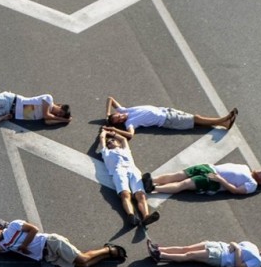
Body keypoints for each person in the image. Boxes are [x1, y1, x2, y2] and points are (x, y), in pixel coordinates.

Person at [0, 220, 126, 267]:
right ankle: (107, 255)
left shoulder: (13, 226)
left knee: (82, 259)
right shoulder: (4, 244)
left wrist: (23, 246)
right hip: (48, 256)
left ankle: (108, 249)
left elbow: (34, 229)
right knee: (82, 266)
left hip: (50, 243)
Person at [94, 126, 158, 227]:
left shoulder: (125, 149)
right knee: (125, 194)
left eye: (112, 141)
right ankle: (131, 215)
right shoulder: (106, 152)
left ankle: (146, 216)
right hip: (118, 171)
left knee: (141, 195)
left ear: (118, 143)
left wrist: (113, 133)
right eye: (108, 143)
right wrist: (104, 132)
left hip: (133, 170)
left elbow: (123, 139)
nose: (110, 142)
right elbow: (102, 139)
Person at [105, 96, 235, 135]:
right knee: (196, 118)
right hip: (168, 120)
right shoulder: (130, 123)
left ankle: (224, 124)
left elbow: (110, 99)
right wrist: (114, 130)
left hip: (166, 111)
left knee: (195, 121)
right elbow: (130, 134)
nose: (121, 117)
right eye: (118, 120)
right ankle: (223, 119)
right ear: (119, 123)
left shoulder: (125, 110)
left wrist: (107, 114)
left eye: (118, 115)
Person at [147, 239, 261, 267]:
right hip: (219, 245)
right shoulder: (253, 245)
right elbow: (235, 243)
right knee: (186, 248)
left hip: (221, 256)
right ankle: (159, 248)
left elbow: (239, 265)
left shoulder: (258, 262)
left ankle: (160, 255)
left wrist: (236, 250)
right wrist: (233, 244)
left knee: (190, 255)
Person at [144, 163, 261, 196]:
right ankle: (152, 179)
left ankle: (154, 188)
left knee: (185, 184)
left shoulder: (252, 184)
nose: (260, 171)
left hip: (214, 180)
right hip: (209, 168)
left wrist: (220, 180)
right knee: (179, 174)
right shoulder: (245, 167)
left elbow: (236, 191)